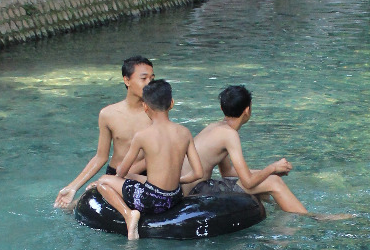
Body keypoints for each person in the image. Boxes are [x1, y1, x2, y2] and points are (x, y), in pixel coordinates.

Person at [95, 78, 205, 239]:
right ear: (171, 103)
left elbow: (121, 172)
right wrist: (177, 181)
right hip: (175, 197)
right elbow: (198, 173)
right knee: (133, 177)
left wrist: (119, 174)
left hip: (151, 202)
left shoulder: (142, 136)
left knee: (103, 182)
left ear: (145, 106)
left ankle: (128, 215)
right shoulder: (184, 132)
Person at [189, 85, 309, 214]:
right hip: (197, 192)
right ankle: (312, 217)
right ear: (247, 110)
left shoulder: (215, 127)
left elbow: (227, 172)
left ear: (222, 108)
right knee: (274, 182)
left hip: (192, 188)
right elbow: (248, 182)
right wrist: (272, 169)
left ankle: (283, 212)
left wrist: (267, 172)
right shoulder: (230, 135)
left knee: (265, 182)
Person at [54, 55, 154, 209]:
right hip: (114, 172)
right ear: (127, 80)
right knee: (72, 206)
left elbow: (156, 155)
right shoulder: (108, 114)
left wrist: (118, 177)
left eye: (151, 79)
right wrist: (73, 186)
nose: (149, 83)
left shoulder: (155, 112)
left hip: (141, 175)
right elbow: (101, 157)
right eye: (143, 78)